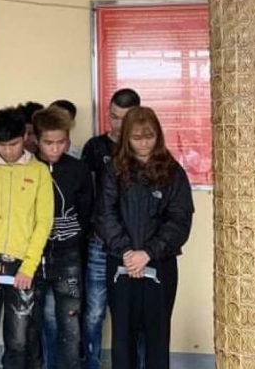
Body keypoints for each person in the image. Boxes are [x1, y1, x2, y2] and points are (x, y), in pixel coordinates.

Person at [96, 107, 193, 369]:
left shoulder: (173, 172)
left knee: (157, 336)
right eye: (137, 138)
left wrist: (148, 253)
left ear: (158, 135)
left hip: (159, 263)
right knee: (122, 338)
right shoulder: (114, 170)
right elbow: (105, 214)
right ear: (126, 137)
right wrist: (128, 253)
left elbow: (180, 220)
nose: (143, 143)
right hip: (121, 262)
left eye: (149, 136)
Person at [0, 107, 54, 369]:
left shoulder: (39, 171)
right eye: (2, 145)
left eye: (14, 144)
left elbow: (43, 222)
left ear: (25, 137)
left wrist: (28, 267)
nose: (8, 151)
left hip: (23, 264)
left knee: (18, 340)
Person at [81, 88, 140, 369]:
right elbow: (87, 195)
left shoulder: (143, 149)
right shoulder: (95, 147)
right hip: (100, 241)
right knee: (94, 311)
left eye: (124, 118)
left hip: (135, 244)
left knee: (134, 313)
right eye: (114, 116)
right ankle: (91, 363)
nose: (118, 124)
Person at [32, 107, 93, 369]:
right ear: (36, 140)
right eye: (49, 143)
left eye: (61, 142)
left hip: (68, 253)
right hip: (32, 256)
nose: (55, 149)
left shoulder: (78, 169)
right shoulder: (27, 167)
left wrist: (75, 240)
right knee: (38, 320)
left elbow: (86, 211)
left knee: (70, 321)